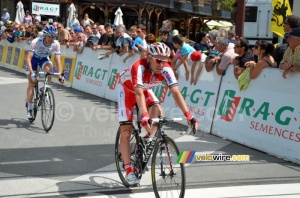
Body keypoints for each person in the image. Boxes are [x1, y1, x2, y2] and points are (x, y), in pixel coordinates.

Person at [117, 42, 198, 185]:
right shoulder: (139, 67)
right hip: (127, 92)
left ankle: (147, 140)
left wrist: (189, 116)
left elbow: (175, 92)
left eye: (165, 61)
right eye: (158, 60)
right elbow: (138, 94)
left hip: (145, 90)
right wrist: (144, 115)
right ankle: (129, 170)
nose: (162, 64)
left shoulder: (166, 69)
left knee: (158, 110)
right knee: (126, 131)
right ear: (149, 57)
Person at [25, 26, 64, 119]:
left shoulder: (56, 44)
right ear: (45, 36)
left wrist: (60, 75)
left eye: (53, 37)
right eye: (49, 36)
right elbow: (28, 58)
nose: (51, 39)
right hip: (33, 60)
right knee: (32, 84)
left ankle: (43, 89)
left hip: (44, 59)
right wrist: (32, 73)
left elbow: (58, 60)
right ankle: (29, 108)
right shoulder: (36, 41)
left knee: (50, 71)